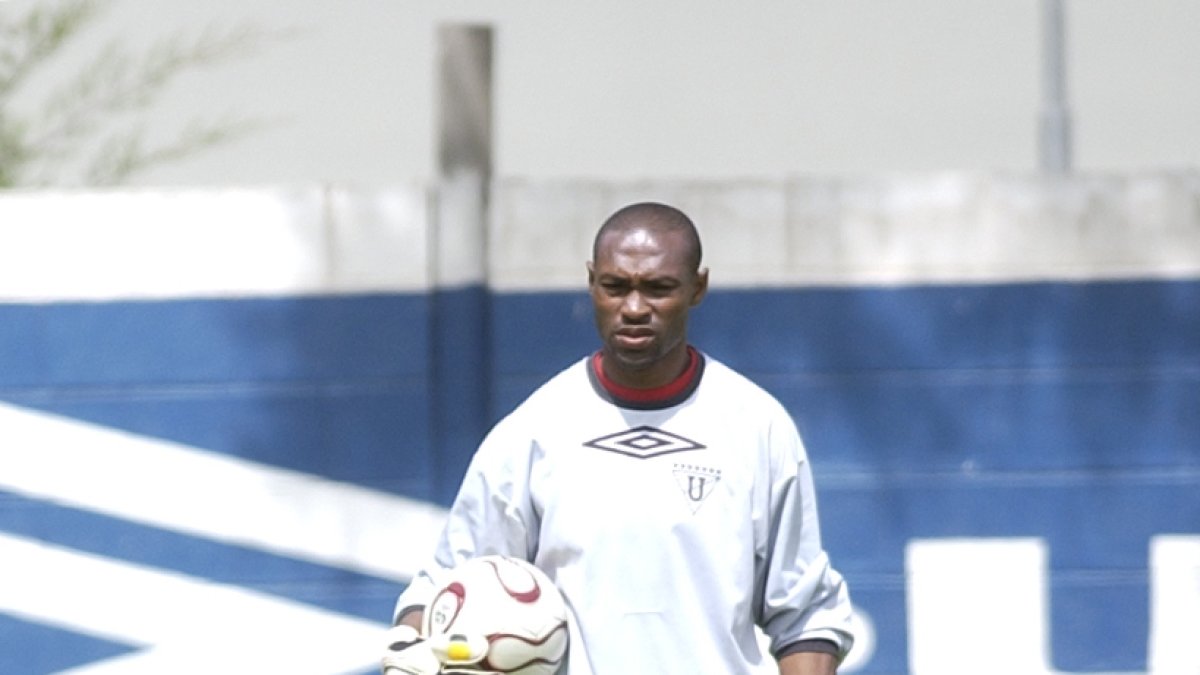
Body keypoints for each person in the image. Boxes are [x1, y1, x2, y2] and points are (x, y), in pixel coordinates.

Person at [383, 202, 855, 675]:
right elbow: (446, 589)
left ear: (698, 288)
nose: (633, 308)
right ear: (592, 283)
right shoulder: (531, 433)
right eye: (615, 287)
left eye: (658, 288)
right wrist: (411, 642)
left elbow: (806, 618)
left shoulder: (757, 428)